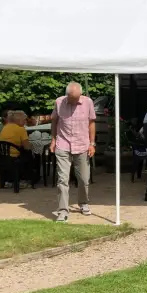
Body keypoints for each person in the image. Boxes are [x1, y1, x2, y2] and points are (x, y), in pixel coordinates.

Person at [50, 82, 96, 221]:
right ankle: (63, 210)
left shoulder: (88, 102)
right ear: (66, 95)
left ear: (80, 95)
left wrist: (92, 143)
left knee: (83, 178)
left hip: (82, 145)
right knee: (62, 179)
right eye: (70, 98)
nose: (73, 101)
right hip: (63, 145)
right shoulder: (59, 102)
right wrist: (53, 140)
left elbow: (91, 123)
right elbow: (54, 122)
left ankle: (83, 203)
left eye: (75, 99)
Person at [0, 110, 38, 186]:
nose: (25, 122)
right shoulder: (21, 129)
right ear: (19, 120)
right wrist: (32, 145)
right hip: (14, 157)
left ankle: (10, 180)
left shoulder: (5, 127)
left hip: (1, 156)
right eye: (24, 120)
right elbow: (27, 147)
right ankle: (26, 179)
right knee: (30, 155)